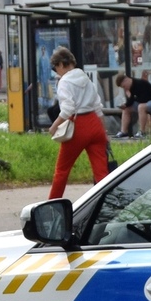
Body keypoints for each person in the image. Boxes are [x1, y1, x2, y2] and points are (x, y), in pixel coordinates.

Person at [47, 46, 110, 200]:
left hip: (78, 126)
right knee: (101, 173)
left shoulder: (64, 82)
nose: (57, 72)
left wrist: (54, 126)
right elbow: (98, 107)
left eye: (56, 68)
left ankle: (53, 204)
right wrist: (104, 132)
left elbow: (68, 109)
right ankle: (107, 203)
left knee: (62, 171)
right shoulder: (85, 78)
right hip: (95, 124)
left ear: (61, 64)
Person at [115, 73, 151, 138]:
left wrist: (131, 97)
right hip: (146, 102)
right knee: (126, 109)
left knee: (141, 107)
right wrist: (126, 105)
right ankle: (123, 131)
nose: (125, 89)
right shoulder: (131, 87)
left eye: (124, 86)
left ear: (126, 80)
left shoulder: (139, 83)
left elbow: (143, 99)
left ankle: (142, 131)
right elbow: (132, 100)